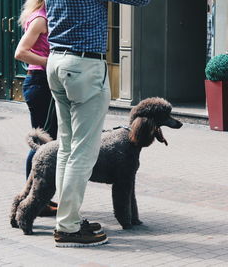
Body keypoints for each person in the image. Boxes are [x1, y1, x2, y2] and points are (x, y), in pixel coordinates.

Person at [46, 0, 151, 247]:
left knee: (67, 148)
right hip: (83, 66)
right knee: (83, 151)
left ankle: (67, 218)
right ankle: (68, 227)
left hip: (56, 61)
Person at [15, 0, 58, 216]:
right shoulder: (42, 18)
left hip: (40, 84)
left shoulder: (43, 14)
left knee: (44, 143)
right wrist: (49, 61)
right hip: (41, 84)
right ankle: (34, 201)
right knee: (42, 145)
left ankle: (39, 199)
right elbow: (20, 52)